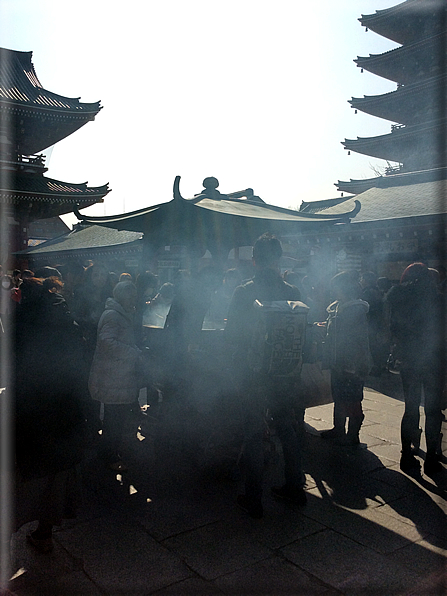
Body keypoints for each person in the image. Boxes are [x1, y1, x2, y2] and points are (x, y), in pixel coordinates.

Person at [225, 233, 306, 519]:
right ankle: (295, 487)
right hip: (286, 372)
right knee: (287, 428)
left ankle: (253, 497)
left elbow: (232, 335)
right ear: (280, 259)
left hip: (254, 373)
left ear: (254, 260)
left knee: (253, 432)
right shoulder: (293, 292)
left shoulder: (244, 292)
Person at [14, 276, 87, 552]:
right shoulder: (66, 318)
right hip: (65, 410)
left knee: (24, 479)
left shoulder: (24, 321)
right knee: (57, 475)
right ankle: (44, 535)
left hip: (33, 410)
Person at [386, 262, 444, 475]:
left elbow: (392, 329)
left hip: (409, 360)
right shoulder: (439, 300)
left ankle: (406, 455)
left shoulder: (399, 299)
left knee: (410, 408)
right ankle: (431, 458)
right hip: (435, 360)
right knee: (433, 410)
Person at [88, 281, 142, 471]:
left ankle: (110, 454)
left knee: (116, 419)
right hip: (113, 376)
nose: (134, 299)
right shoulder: (113, 315)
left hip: (118, 375)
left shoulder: (121, 313)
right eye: (131, 295)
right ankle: (109, 457)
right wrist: (132, 352)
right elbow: (106, 341)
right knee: (114, 421)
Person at [320, 271, 372, 446]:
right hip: (338, 361)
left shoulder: (355, 310)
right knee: (339, 396)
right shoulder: (338, 307)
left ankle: (353, 435)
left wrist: (355, 364)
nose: (333, 290)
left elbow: (359, 340)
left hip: (351, 363)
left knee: (353, 399)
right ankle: (338, 429)